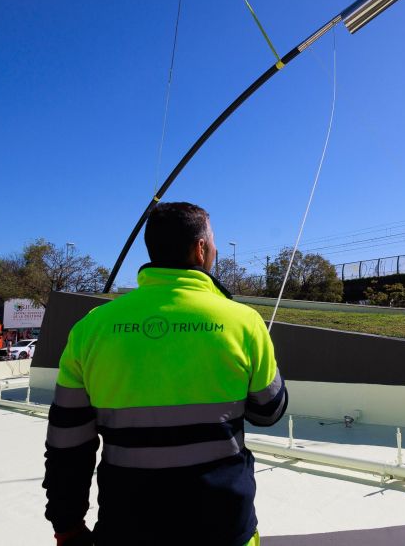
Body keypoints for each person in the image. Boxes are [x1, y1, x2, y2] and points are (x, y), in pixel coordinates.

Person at [43, 202, 288, 546]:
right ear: (201, 248)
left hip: (126, 527)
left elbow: (68, 442)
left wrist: (66, 523)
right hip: (224, 527)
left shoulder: (91, 328)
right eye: (213, 242)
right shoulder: (243, 321)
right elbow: (269, 411)